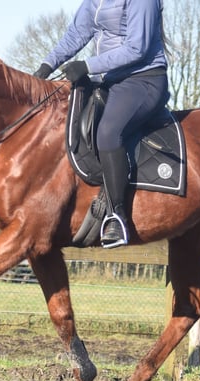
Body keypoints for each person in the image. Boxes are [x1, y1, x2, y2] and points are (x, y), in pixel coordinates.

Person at [33, 0, 170, 248]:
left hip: (143, 79)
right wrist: (44, 68)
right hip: (109, 81)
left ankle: (117, 216)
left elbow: (137, 48)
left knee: (108, 133)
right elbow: (76, 34)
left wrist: (87, 65)